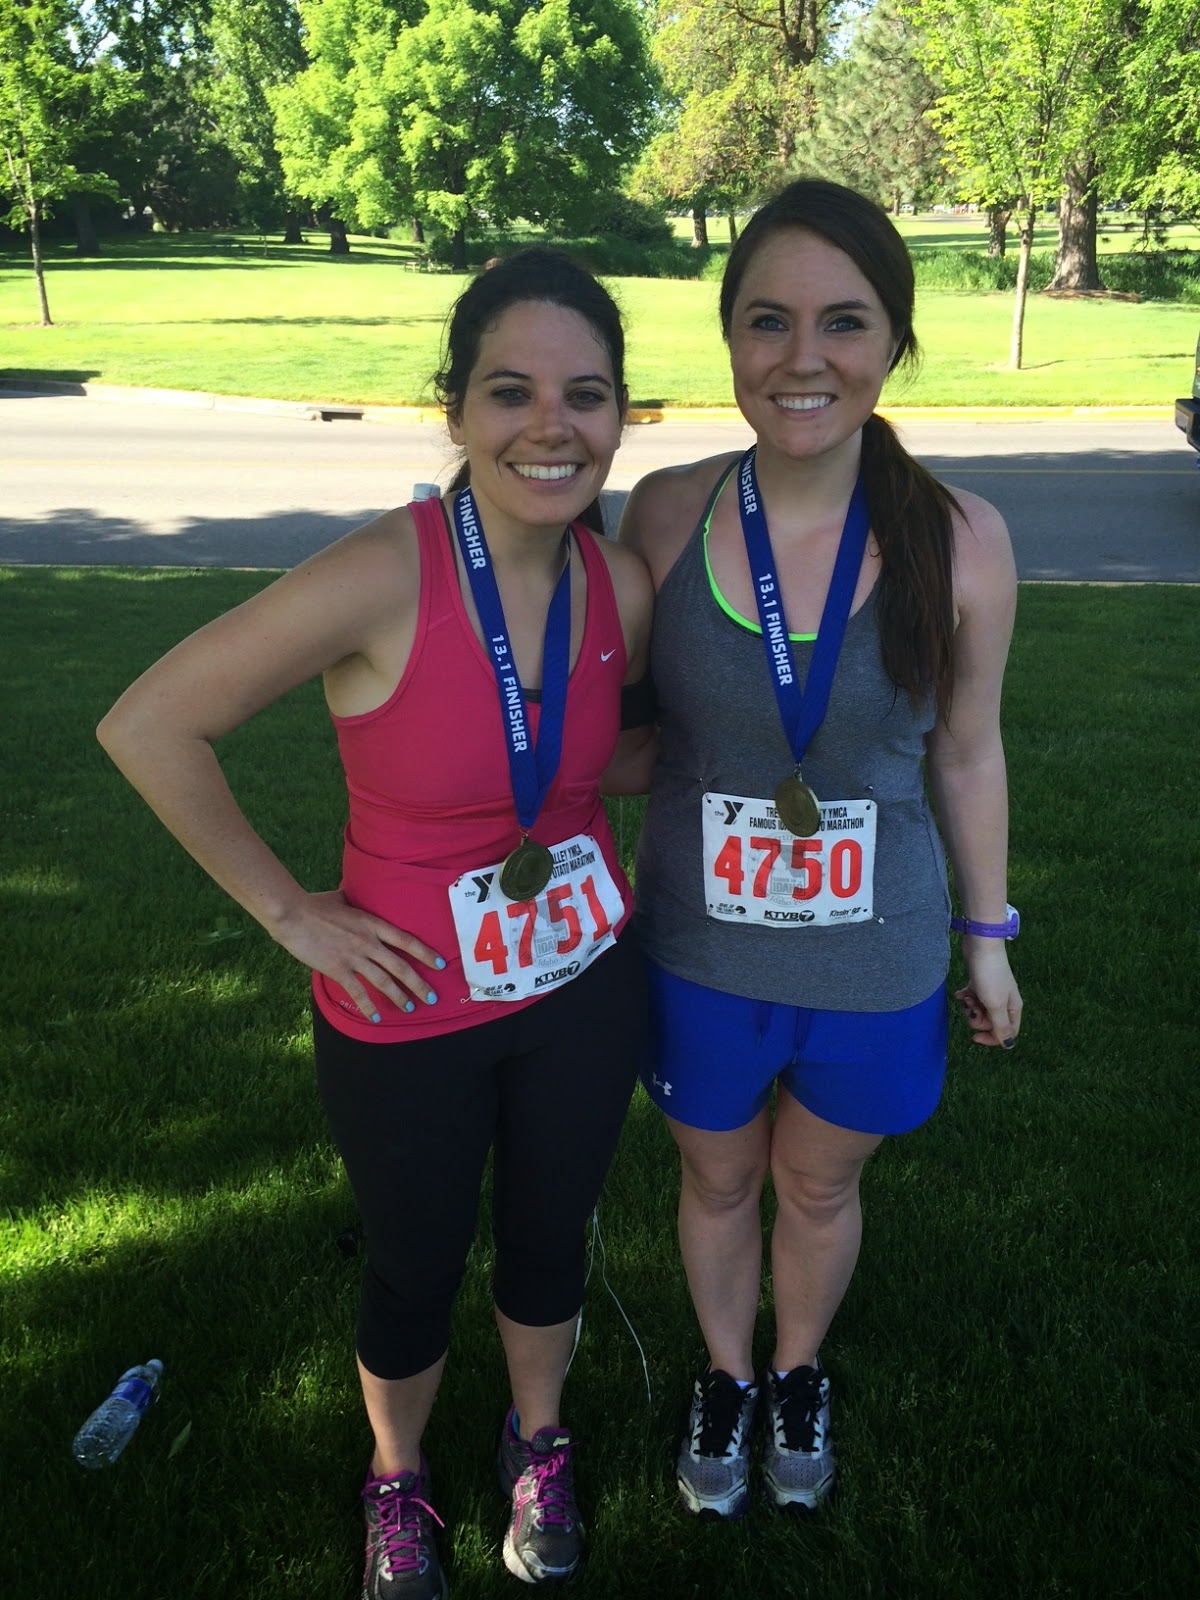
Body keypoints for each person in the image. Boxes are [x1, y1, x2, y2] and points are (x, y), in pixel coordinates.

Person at [97, 248, 655, 1597]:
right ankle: (397, 1479)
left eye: (584, 394)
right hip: (407, 1003)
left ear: (620, 414)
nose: (550, 426)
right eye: (510, 391)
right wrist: (293, 913)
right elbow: (150, 723)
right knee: (414, 1262)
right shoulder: (381, 574)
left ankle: (538, 1440)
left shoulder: (618, 583)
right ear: (453, 408)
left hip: (582, 981)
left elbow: (606, 758)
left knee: (550, 1236)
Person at [618, 180, 1022, 1520]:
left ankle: (797, 1369)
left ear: (894, 339)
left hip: (877, 950)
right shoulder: (666, 515)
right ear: (731, 337)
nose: (804, 358)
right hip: (698, 947)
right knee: (719, 1174)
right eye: (768, 321)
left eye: (844, 322)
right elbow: (617, 733)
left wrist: (988, 936)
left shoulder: (961, 537)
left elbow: (967, 751)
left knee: (818, 1179)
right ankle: (726, 1375)